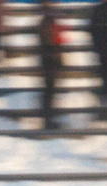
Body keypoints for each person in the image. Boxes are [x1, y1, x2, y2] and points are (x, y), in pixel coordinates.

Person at [35, 0, 66, 130]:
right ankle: (48, 121)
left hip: (49, 60)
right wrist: (57, 58)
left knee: (50, 92)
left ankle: (49, 120)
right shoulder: (47, 22)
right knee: (49, 92)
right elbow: (51, 42)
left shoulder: (48, 22)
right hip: (50, 61)